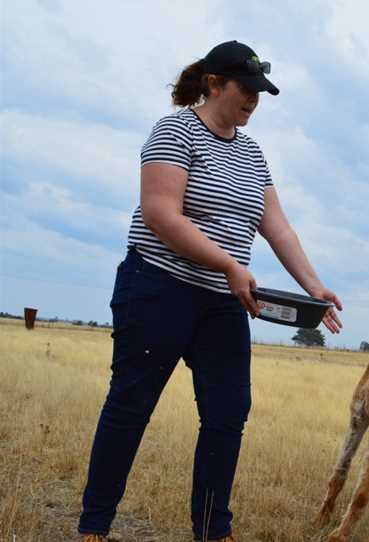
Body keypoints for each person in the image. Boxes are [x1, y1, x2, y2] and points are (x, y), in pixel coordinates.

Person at [77, 40, 343, 542]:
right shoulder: (174, 130)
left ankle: (212, 530)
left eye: (261, 93)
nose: (254, 101)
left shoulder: (252, 151)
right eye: (246, 89)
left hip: (223, 303)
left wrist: (315, 286)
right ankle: (94, 526)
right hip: (157, 286)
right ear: (214, 83)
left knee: (227, 412)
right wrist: (227, 263)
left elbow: (278, 229)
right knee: (131, 404)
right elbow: (160, 214)